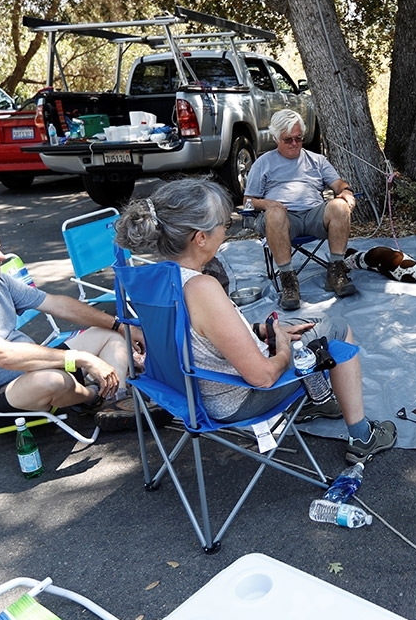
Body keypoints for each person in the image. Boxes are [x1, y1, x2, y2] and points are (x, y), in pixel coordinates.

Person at [114, 178, 398, 465]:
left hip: (182, 389)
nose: (226, 231)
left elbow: (190, 334)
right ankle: (362, 437)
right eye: (223, 224)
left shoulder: (155, 279)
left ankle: (320, 401)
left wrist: (260, 331)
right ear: (200, 237)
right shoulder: (201, 288)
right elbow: (262, 377)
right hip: (233, 399)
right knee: (335, 327)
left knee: (293, 326)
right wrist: (284, 348)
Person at [0, 212, 143, 431]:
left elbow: (56, 304)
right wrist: (81, 359)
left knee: (111, 335)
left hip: (28, 372)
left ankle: (115, 402)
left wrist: (120, 325)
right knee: (53, 381)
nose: (1, 257)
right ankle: (94, 398)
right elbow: (3, 355)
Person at [245, 109, 357, 310]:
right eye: (288, 140)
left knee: (339, 206)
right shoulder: (264, 163)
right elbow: (247, 201)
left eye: (299, 138)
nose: (295, 144)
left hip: (314, 214)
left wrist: (346, 191)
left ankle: (336, 272)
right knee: (275, 214)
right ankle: (288, 280)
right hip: (283, 220)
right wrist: (267, 204)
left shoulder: (317, 160)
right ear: (276, 138)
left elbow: (338, 183)